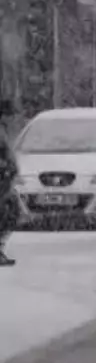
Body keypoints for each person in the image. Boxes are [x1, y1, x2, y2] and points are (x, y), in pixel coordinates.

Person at [0, 99, 20, 267]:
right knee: (8, 212)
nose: (13, 120)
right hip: (2, 177)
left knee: (11, 211)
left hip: (5, 178)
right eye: (10, 115)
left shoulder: (2, 130)